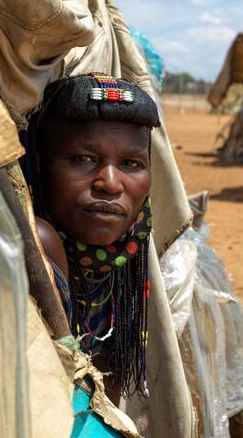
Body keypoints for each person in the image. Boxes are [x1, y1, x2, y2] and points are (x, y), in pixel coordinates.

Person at [23, 73, 160, 432]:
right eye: (84, 158)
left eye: (131, 164)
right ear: (39, 164)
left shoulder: (128, 253)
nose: (110, 183)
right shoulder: (38, 246)